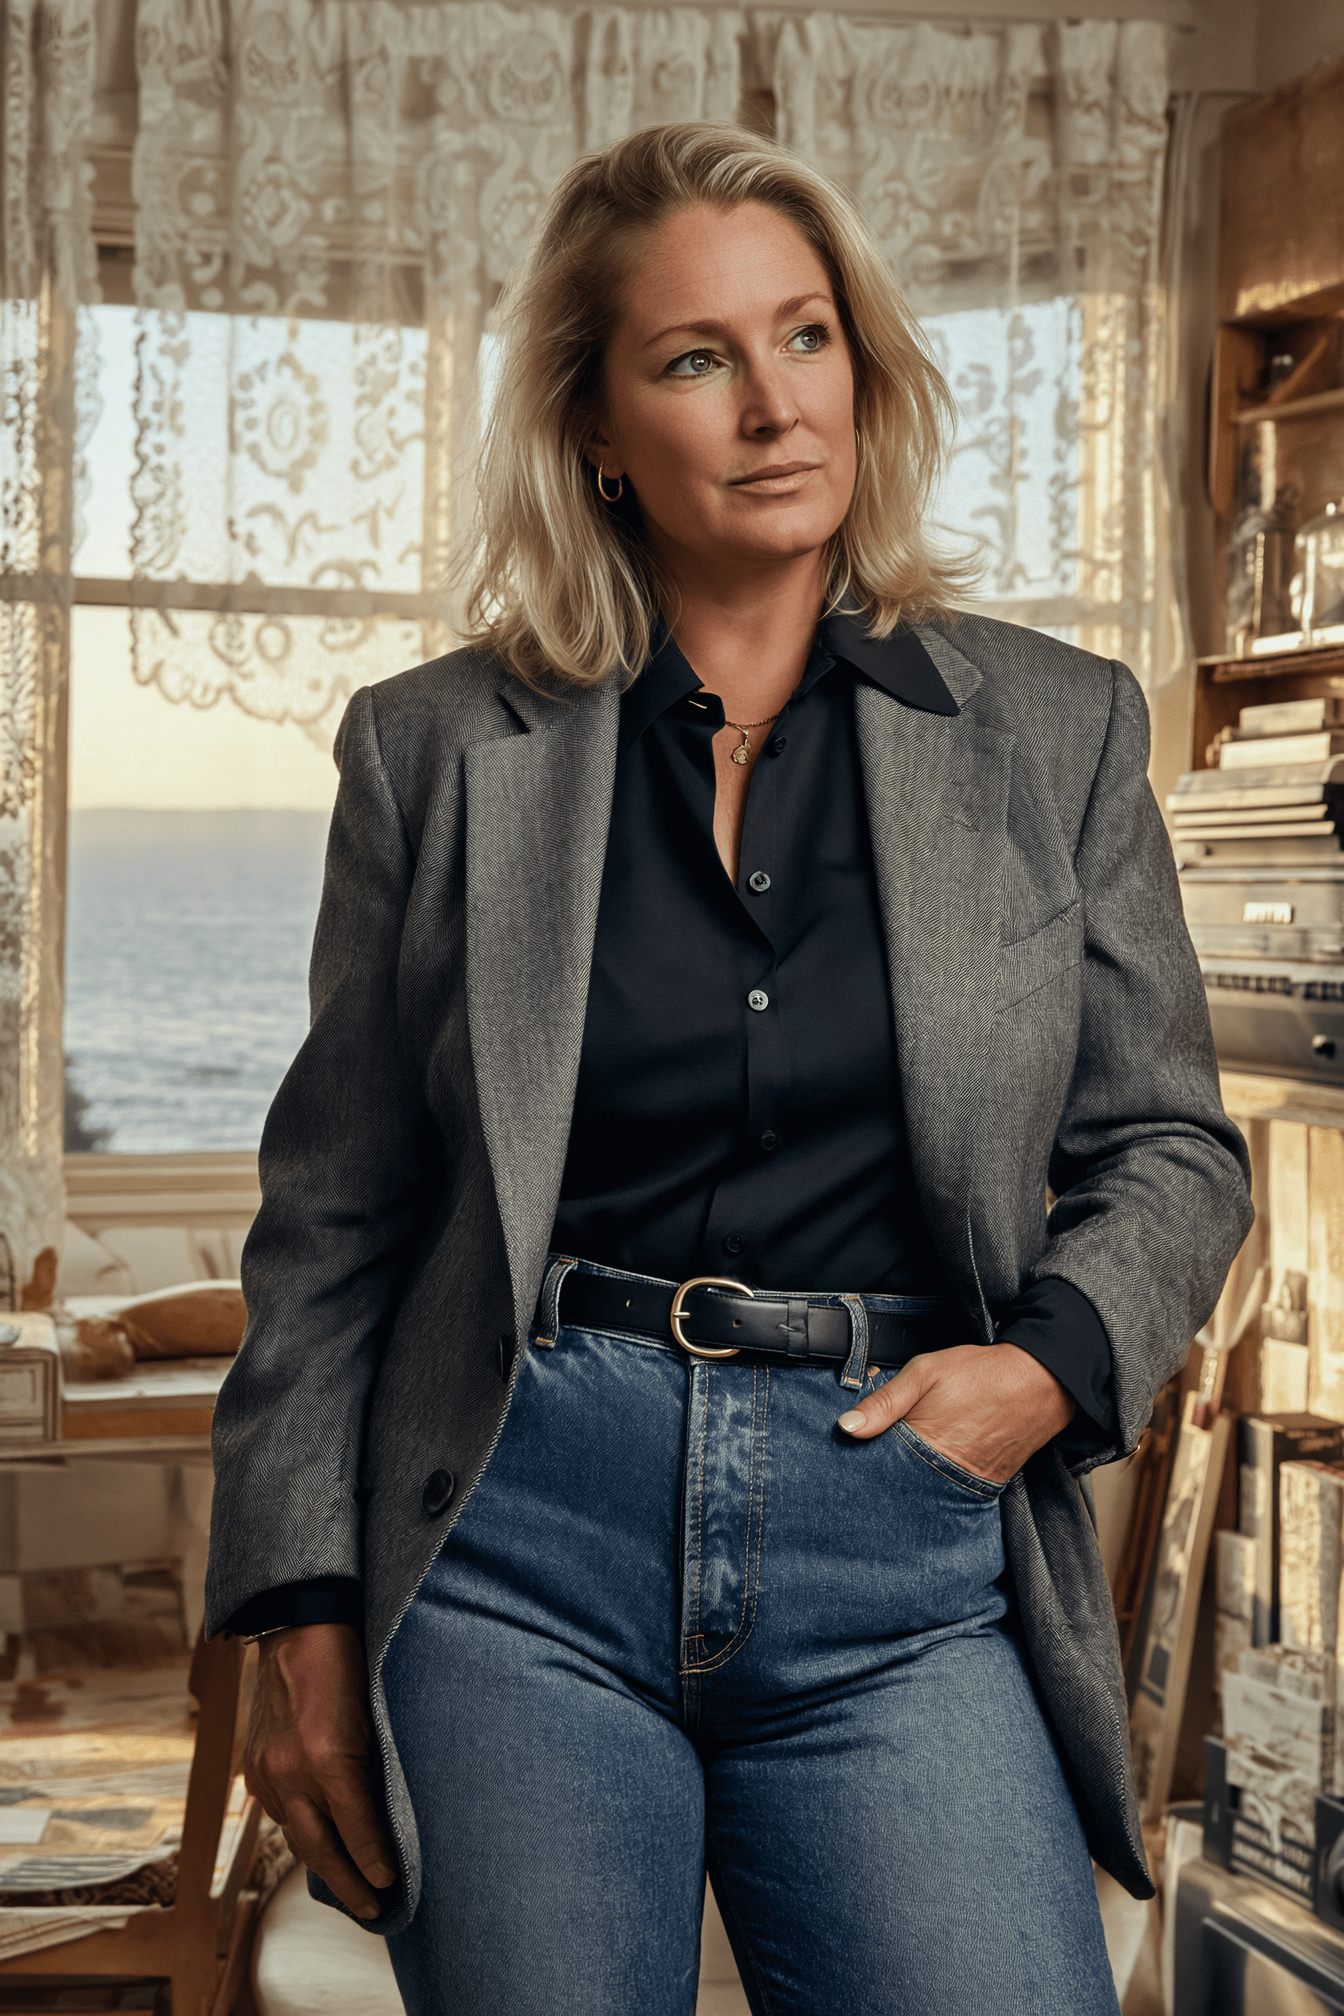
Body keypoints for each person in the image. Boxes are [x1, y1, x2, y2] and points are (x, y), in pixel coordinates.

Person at [207, 123, 1252, 2015]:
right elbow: (334, 1218)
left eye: (807, 339)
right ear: (598, 428)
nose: (774, 408)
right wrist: (293, 1605)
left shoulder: (1059, 732)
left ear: (864, 368)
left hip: (904, 1536)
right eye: (697, 358)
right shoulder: (434, 755)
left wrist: (1047, 1374)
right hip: (517, 1537)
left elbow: (1170, 1145)